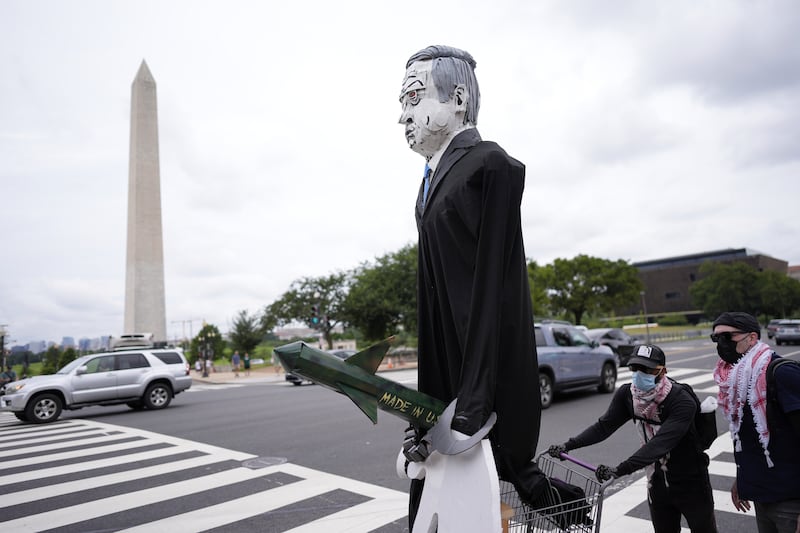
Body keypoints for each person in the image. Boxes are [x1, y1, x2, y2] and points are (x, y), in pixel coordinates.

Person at [398, 45, 542, 525]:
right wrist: (425, 414)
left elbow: (492, 294)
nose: (404, 116)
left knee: (475, 509)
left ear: (457, 98)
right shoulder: (427, 185)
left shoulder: (489, 165)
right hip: (444, 374)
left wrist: (474, 403)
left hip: (481, 387)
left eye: (413, 98)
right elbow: (432, 302)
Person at [548, 344, 717, 533]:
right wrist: (568, 445)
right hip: (656, 480)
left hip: (691, 481)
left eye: (646, 369)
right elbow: (604, 426)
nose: (639, 374)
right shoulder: (628, 395)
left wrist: (621, 469)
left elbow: (660, 444)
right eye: (634, 368)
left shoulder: (680, 400)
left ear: (663, 371)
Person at [711, 312, 800, 533]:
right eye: (716, 338)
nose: (721, 344)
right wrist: (742, 479)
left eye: (728, 337)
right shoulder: (737, 380)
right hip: (762, 496)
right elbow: (749, 438)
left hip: (790, 499)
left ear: (751, 338)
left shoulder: (781, 373)